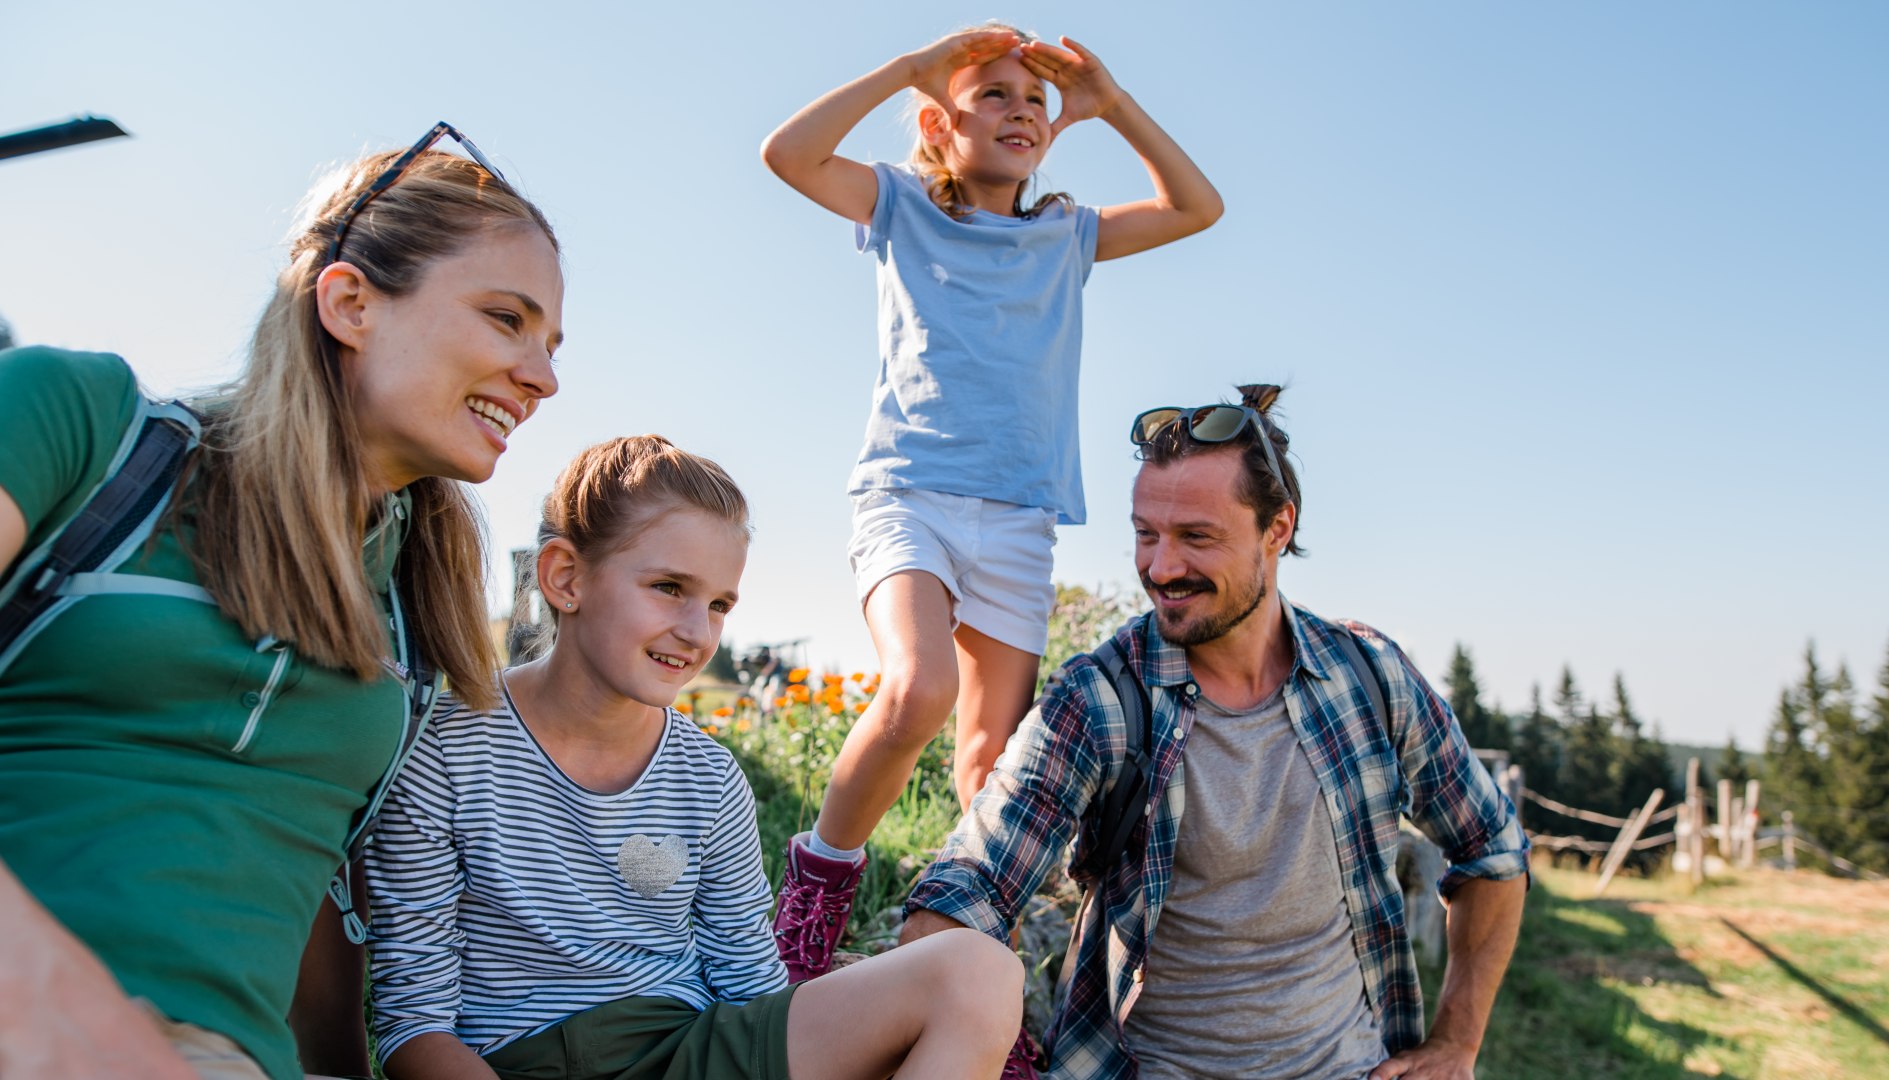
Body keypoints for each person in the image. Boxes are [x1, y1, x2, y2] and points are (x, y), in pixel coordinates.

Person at [0, 124, 563, 1080]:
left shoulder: (413, 620)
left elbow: (313, 893)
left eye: (550, 345)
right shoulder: (81, 423)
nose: (543, 378)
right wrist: (74, 1018)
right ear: (349, 303)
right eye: (508, 320)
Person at [758, 22, 1224, 981]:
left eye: (1035, 100)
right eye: (993, 95)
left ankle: (967, 963)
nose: (1022, 111)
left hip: (1019, 518)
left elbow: (1198, 206)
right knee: (918, 688)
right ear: (939, 122)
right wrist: (909, 67)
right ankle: (815, 893)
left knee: (991, 768)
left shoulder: (1067, 234)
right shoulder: (896, 205)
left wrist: (1109, 102)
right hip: (911, 494)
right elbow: (787, 154)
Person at [898, 386, 1532, 1080]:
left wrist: (1457, 1045)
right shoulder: (1101, 699)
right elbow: (972, 879)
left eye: (1196, 537)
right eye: (1146, 534)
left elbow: (1493, 848)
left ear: (1278, 530)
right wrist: (951, 970)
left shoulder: (1372, 677)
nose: (1162, 568)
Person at [365, 436, 1025, 1080]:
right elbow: (412, 1024)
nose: (696, 631)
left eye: (718, 604)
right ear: (565, 577)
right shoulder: (447, 751)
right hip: (528, 1055)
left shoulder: (709, 777)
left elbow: (747, 979)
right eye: (668, 586)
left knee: (978, 971)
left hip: (692, 1045)